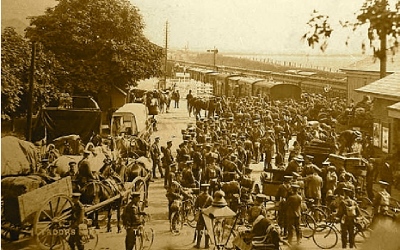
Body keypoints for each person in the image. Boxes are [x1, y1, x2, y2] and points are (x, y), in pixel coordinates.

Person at [194, 184, 213, 249]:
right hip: (207, 216)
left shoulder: (199, 197)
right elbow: (212, 208)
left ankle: (198, 244)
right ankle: (206, 245)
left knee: (199, 230)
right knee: (207, 230)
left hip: (201, 215)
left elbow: (195, 206)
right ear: (208, 190)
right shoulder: (210, 198)